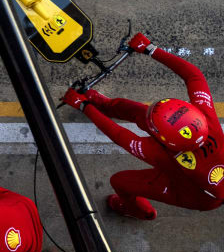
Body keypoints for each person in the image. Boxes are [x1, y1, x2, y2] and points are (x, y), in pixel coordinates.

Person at [61, 32, 222, 219]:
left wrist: (83, 106)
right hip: (197, 169)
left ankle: (138, 211)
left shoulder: (157, 153)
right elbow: (194, 76)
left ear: (160, 140)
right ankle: (101, 103)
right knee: (139, 112)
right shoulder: (208, 120)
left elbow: (119, 135)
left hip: (196, 194)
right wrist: (151, 50)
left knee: (119, 181)